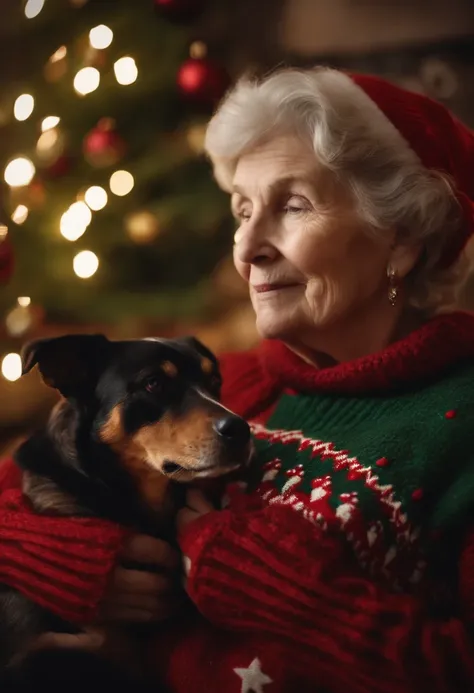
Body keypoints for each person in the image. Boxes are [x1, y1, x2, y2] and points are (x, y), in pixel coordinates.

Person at [1, 66, 474, 693]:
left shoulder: (459, 420)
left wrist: (274, 587)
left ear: (402, 239)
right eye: (242, 210)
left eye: (292, 205)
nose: (248, 246)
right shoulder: (231, 384)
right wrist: (58, 558)